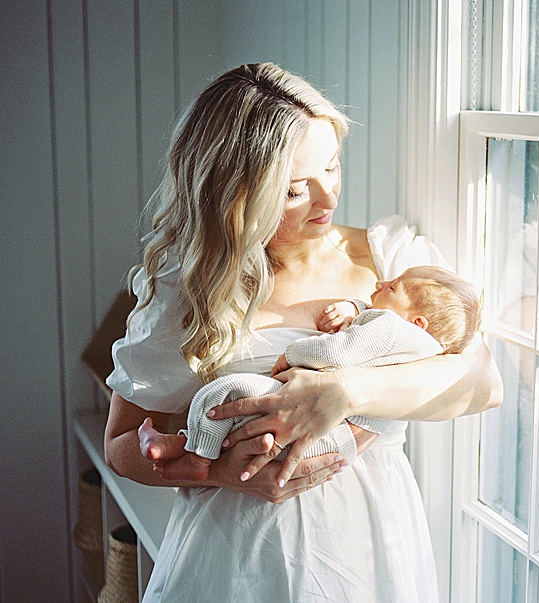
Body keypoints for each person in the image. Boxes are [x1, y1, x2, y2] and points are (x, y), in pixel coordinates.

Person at [104, 62, 502, 602]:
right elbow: (122, 446)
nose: (328, 200)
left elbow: (481, 383)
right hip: (236, 561)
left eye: (332, 168)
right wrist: (219, 474)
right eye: (295, 190)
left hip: (370, 554)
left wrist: (342, 393)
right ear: (235, 193)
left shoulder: (393, 263)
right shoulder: (192, 284)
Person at [139, 264, 482, 483]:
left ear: (417, 323)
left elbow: (337, 351)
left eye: (393, 287)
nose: (381, 280)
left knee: (224, 394)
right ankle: (185, 446)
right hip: (336, 447)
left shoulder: (391, 327)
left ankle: (196, 455)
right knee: (241, 426)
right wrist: (357, 308)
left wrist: (292, 354)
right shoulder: (427, 348)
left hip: (317, 431)